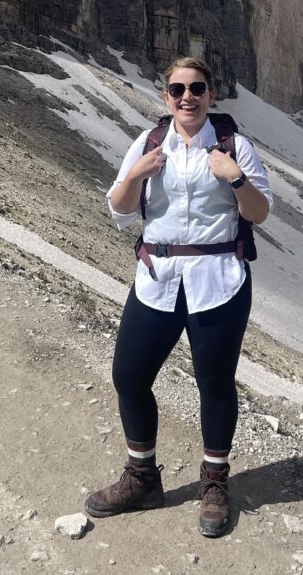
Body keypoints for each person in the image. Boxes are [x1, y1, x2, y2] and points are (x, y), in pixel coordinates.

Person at [84, 57, 272, 537]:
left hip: (219, 280)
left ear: (211, 94)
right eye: (177, 89)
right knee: (128, 375)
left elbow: (260, 212)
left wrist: (233, 176)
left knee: (214, 382)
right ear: (165, 96)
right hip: (157, 277)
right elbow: (120, 210)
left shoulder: (236, 148)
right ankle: (142, 477)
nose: (187, 96)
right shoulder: (147, 145)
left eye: (197, 87)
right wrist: (137, 175)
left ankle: (214, 483)